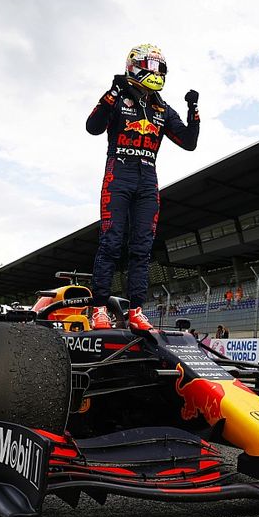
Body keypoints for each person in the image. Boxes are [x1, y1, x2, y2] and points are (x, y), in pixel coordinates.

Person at [86, 44, 200, 331]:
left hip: (148, 179)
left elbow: (189, 142)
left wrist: (193, 110)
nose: (157, 72)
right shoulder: (117, 96)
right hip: (118, 173)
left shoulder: (162, 108)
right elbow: (93, 127)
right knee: (111, 241)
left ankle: (136, 310)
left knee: (142, 247)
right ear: (135, 66)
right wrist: (111, 94)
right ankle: (99, 309)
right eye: (152, 66)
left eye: (160, 68)